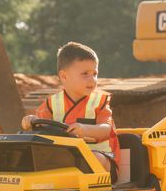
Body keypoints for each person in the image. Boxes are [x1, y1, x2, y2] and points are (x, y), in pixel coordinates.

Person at [21, 42, 120, 178]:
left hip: (102, 160)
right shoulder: (52, 103)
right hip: (67, 157)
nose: (92, 79)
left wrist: (85, 130)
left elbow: (107, 130)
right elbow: (40, 126)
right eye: (85, 74)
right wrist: (30, 121)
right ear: (64, 76)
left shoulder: (99, 102)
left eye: (95, 74)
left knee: (94, 158)